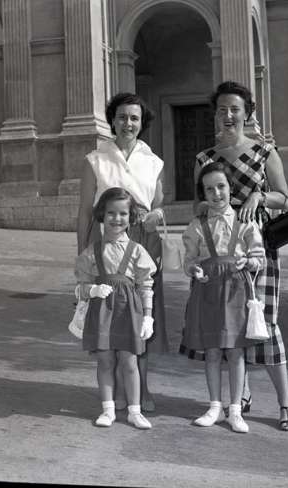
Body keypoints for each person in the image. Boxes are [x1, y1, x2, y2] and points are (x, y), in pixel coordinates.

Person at [183, 80, 288, 432]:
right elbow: (197, 205)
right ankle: (241, 397)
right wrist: (212, 208)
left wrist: (258, 197)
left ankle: (285, 404)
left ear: (247, 113)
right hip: (218, 252)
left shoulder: (265, 152)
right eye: (222, 109)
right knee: (229, 323)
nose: (228, 115)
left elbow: (285, 198)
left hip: (258, 247)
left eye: (235, 109)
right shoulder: (204, 158)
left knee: (265, 321)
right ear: (215, 115)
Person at [76, 92, 169, 412]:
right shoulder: (95, 160)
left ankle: (142, 388)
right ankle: (113, 389)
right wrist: (82, 254)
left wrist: (156, 215)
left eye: (134, 118)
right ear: (112, 121)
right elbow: (85, 213)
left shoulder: (153, 161)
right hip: (107, 243)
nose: (128, 123)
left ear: (142, 123)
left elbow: (159, 205)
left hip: (143, 242)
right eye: (121, 117)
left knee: (140, 314)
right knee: (109, 315)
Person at [181, 162, 266, 433]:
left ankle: (235, 410)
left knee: (236, 351)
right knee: (213, 351)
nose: (216, 193)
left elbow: (259, 257)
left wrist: (249, 262)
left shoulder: (244, 222)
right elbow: (189, 260)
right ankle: (214, 407)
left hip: (235, 292)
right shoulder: (196, 226)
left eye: (221, 186)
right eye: (209, 189)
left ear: (231, 188)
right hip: (207, 292)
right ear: (203, 194)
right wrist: (193, 269)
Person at [75, 188, 157, 429]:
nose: (117, 218)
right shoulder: (92, 252)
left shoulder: (137, 251)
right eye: (111, 212)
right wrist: (92, 290)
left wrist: (148, 317)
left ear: (131, 217)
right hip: (101, 312)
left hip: (129, 312)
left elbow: (146, 286)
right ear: (102, 214)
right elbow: (80, 287)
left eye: (123, 213)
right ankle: (108, 409)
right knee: (105, 361)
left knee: (130, 361)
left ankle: (134, 411)